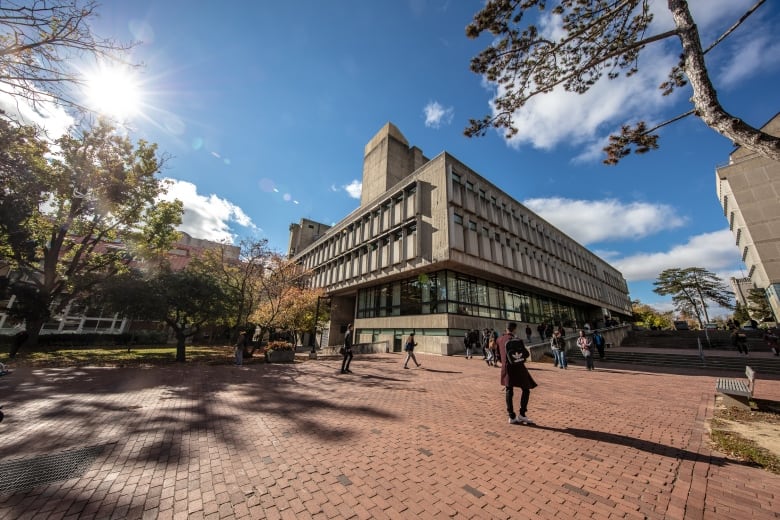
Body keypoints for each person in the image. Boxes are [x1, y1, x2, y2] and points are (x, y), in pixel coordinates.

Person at [497, 322, 537, 425]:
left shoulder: (500, 340)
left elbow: (498, 356)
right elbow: (526, 354)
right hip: (519, 368)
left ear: (506, 329)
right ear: (514, 329)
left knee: (509, 390)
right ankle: (522, 414)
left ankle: (511, 416)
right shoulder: (518, 340)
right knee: (526, 389)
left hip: (506, 368)